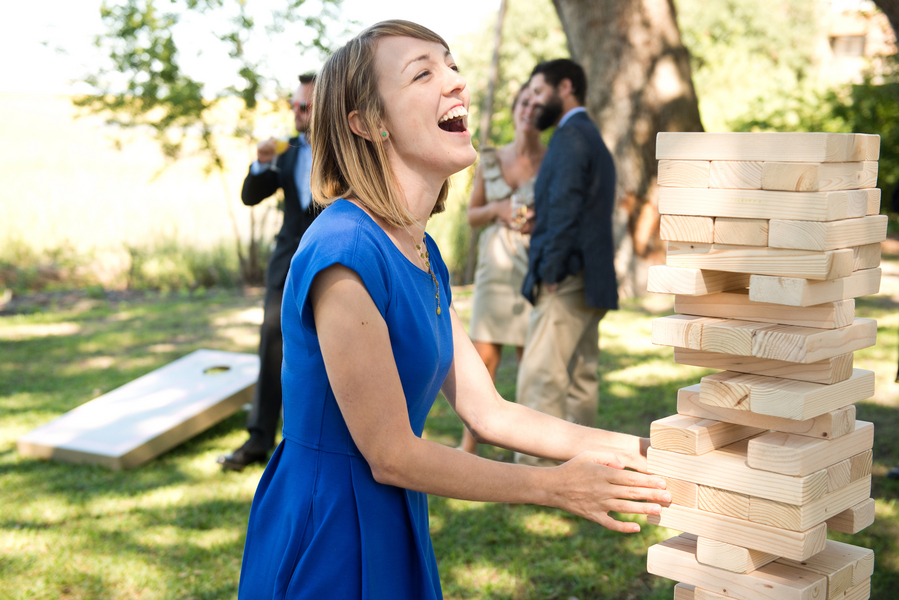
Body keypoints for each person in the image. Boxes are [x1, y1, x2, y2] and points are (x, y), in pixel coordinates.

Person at [237, 21, 669, 600]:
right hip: (328, 531)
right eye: (423, 72)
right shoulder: (342, 250)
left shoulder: (421, 250)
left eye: (451, 65)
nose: (456, 83)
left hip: (392, 514)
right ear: (369, 123)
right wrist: (555, 487)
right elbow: (391, 454)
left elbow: (491, 413)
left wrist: (641, 450)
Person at [515, 59, 619, 467]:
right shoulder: (588, 135)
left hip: (567, 278)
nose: (535, 101)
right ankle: (587, 468)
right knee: (580, 379)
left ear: (567, 87)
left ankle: (536, 473)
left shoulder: (571, 137)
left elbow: (565, 207)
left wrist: (551, 270)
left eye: (540, 92)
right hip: (590, 277)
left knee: (541, 379)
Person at [217, 73, 320, 471]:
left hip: (335, 262)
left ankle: (308, 442)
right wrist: (261, 163)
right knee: (272, 343)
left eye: (304, 106)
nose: (296, 112)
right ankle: (259, 439)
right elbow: (249, 196)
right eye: (293, 105)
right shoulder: (287, 150)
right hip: (287, 261)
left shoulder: (346, 152)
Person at [458, 85, 546, 455]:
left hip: (533, 268)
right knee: (484, 359)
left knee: (531, 361)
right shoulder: (490, 158)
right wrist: (498, 210)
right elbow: (472, 216)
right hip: (494, 266)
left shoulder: (554, 161)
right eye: (525, 102)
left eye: (538, 105)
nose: (529, 109)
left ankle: (526, 449)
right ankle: (470, 444)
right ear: (515, 109)